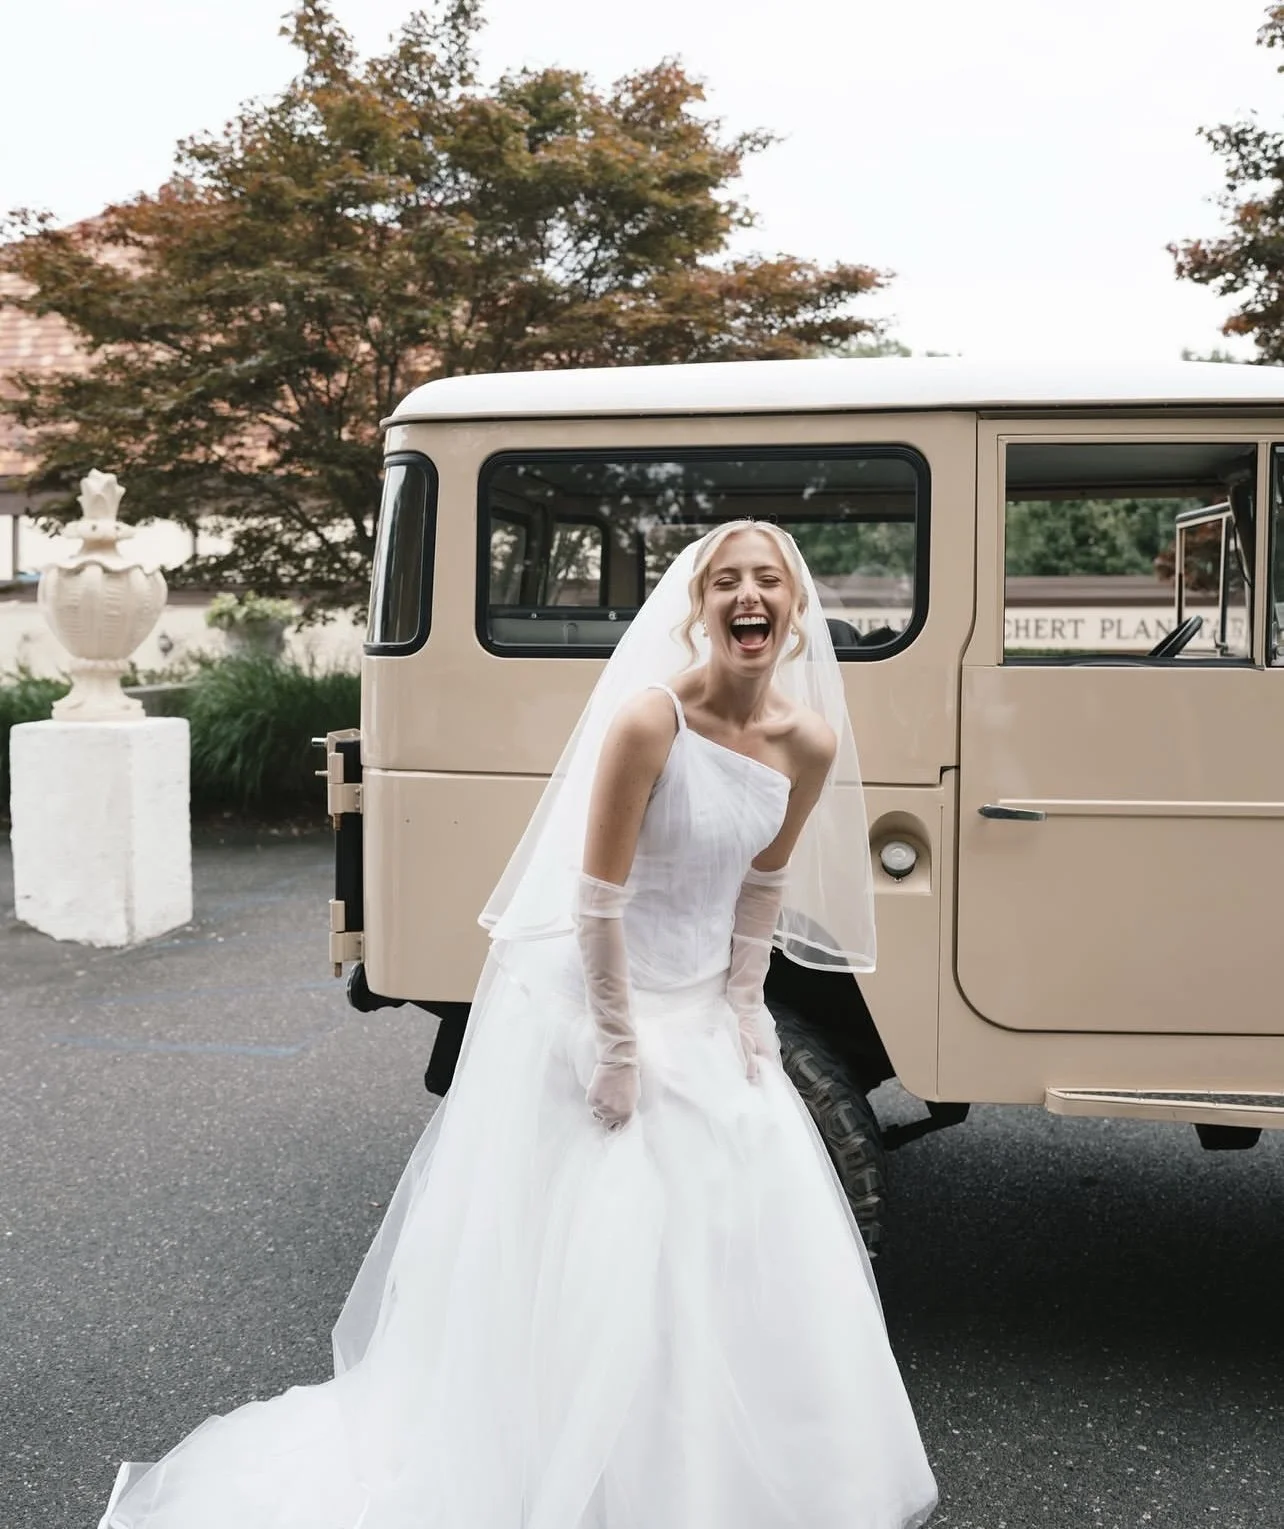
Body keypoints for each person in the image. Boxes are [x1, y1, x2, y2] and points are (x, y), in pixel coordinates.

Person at [101, 521, 937, 1529]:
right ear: (699, 607)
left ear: (795, 608)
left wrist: (746, 1001)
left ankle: (705, 1480)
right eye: (727, 581)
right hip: (605, 1013)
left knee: (725, 1261)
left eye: (768, 580)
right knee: (595, 1264)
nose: (748, 595)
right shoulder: (650, 722)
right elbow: (597, 898)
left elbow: (762, 881)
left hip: (709, 1025)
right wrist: (620, 1048)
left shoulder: (808, 741)